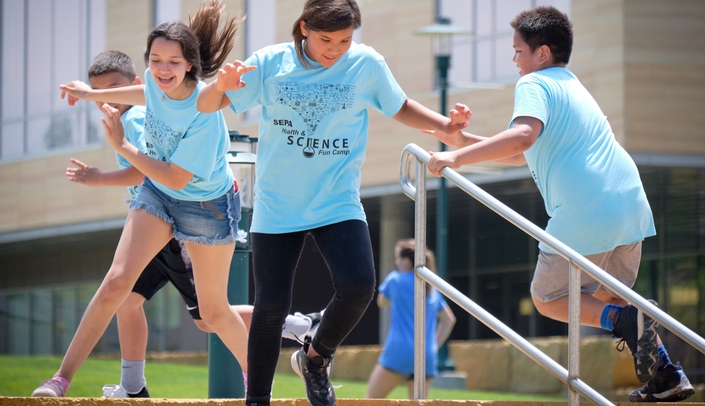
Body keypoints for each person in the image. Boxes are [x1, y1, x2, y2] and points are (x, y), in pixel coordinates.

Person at [195, 1, 471, 404]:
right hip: (278, 203)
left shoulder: (365, 64)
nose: (336, 49)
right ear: (304, 28)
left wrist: (443, 125)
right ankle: (257, 399)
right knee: (271, 306)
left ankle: (316, 357)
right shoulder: (271, 63)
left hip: (335, 199)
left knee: (359, 286)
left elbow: (399, 106)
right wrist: (220, 85)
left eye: (345, 40)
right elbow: (206, 106)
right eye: (326, 40)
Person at [425, 6, 694, 403]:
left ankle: (622, 321)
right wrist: (464, 143)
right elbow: (523, 154)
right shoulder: (571, 86)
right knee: (611, 297)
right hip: (630, 208)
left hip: (588, 211)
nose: (514, 59)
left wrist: (455, 161)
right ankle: (667, 375)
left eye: (518, 51)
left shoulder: (534, 84)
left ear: (542, 53)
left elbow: (522, 138)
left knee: (548, 297)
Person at [41, 50, 321, 398]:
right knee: (123, 294)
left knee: (209, 314)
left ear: (136, 85)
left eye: (114, 90)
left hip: (187, 218)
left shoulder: (138, 116)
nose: (108, 100)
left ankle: (289, 333)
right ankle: (121, 385)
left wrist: (100, 175)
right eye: (103, 93)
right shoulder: (140, 105)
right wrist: (89, 93)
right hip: (155, 210)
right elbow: (147, 164)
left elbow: (156, 170)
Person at [32, 0, 255, 398]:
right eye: (155, 60)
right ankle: (60, 380)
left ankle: (256, 377)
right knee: (117, 284)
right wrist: (86, 95)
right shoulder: (153, 83)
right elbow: (140, 92)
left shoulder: (204, 109)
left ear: (189, 64)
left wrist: (120, 147)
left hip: (205, 204)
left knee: (213, 313)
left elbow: (173, 175)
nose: (162, 69)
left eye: (172, 62)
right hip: (158, 196)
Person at [366, 239, 456, 399]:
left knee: (370, 402)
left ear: (407, 261)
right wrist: (433, 345)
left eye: (398, 258)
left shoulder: (395, 280)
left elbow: (381, 302)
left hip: (398, 352)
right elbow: (449, 320)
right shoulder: (431, 287)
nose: (396, 262)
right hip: (425, 356)